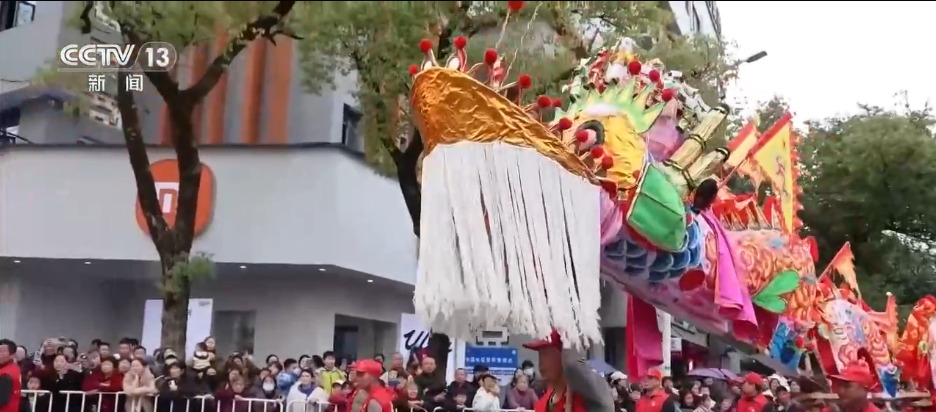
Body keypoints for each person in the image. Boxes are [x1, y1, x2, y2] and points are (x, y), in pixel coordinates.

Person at [523, 330, 613, 412]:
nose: (540, 362)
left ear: (563, 356)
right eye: (540, 355)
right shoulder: (544, 402)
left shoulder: (590, 394)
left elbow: (572, 364)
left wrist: (571, 336)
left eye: (545, 354)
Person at [0, 339, 21, 412]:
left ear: (12, 355)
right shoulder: (14, 368)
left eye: (2, 352)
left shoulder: (6, 373)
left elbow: (2, 399)